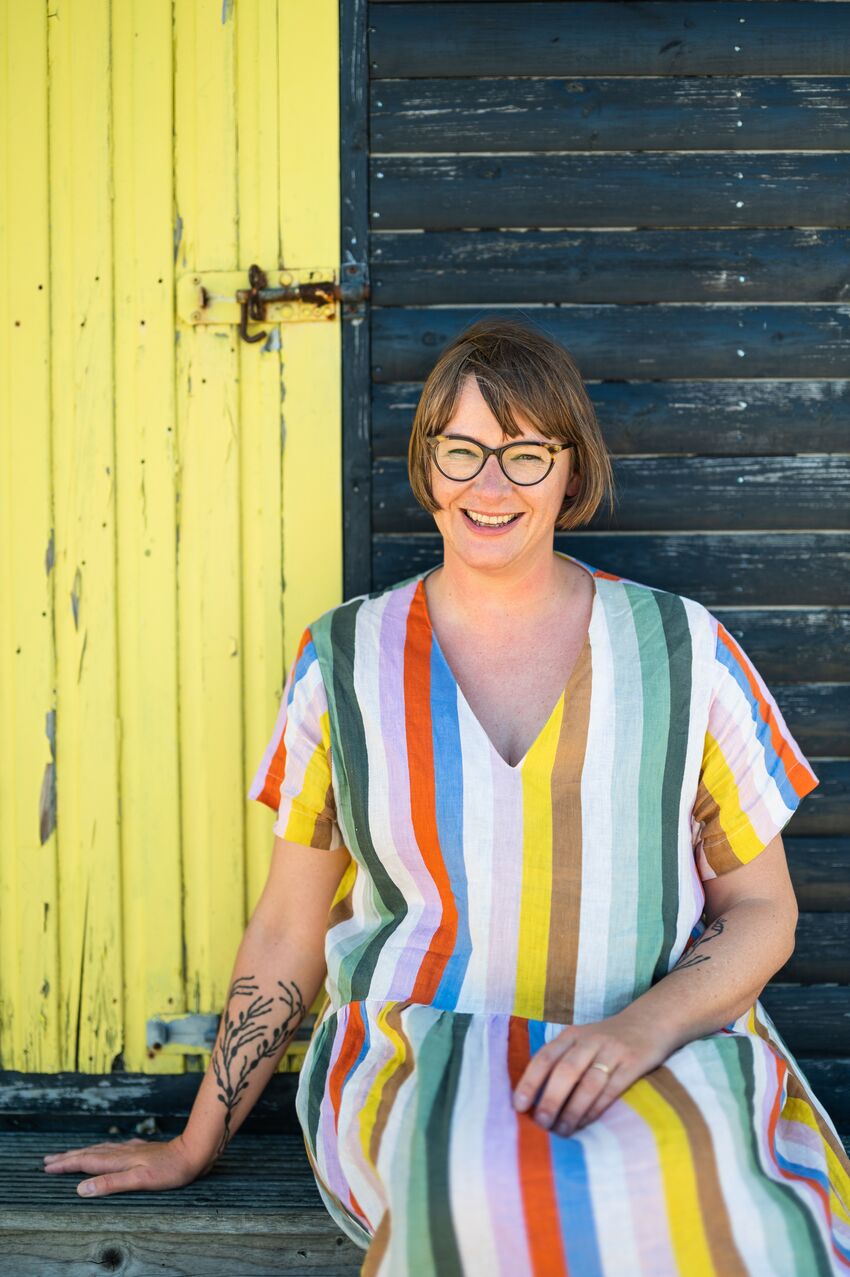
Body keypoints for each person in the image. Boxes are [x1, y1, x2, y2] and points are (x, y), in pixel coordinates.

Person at [43, 317, 850, 1275]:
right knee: (487, 1198)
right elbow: (286, 932)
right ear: (427, 467)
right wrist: (195, 1141)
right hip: (416, 1055)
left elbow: (762, 910)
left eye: (524, 454)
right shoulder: (341, 661)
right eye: (462, 450)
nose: (491, 485)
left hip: (658, 1046)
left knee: (734, 1217)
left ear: (571, 470)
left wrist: (643, 1027)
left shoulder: (685, 650)